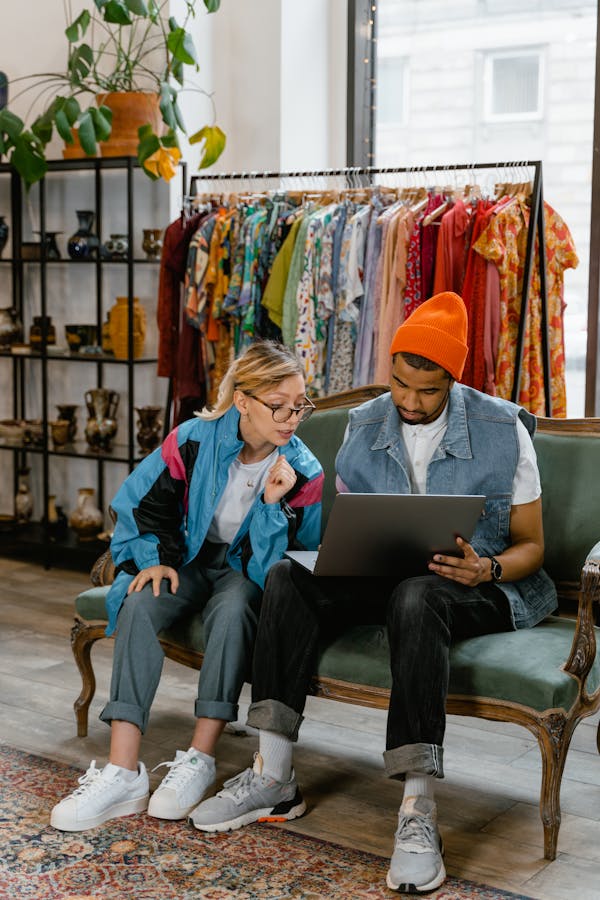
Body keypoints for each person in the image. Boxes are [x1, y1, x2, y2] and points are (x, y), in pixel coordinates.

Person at [189, 292, 557, 895]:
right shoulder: (364, 424)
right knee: (287, 576)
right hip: (387, 578)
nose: (408, 402)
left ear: (453, 380)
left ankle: (417, 808)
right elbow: (358, 522)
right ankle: (274, 776)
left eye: (427, 391)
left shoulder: (502, 429)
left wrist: (486, 568)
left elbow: (532, 547)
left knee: (417, 595)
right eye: (399, 383)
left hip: (476, 586)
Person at [50, 340, 324, 832]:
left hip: (246, 572)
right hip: (188, 559)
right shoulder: (193, 439)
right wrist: (154, 560)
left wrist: (270, 506)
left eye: (299, 405)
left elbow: (288, 568)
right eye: (278, 405)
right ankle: (123, 771)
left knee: (234, 609)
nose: (291, 418)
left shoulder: (303, 472)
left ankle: (199, 758)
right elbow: (143, 501)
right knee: (140, 601)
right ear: (243, 401)